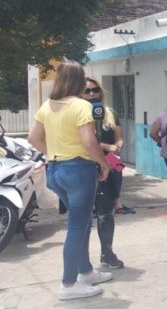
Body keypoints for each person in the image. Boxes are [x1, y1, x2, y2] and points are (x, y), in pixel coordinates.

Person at [28, 61, 113, 301]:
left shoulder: (47, 106)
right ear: (78, 80)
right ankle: (68, 284)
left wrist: (56, 153)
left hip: (55, 170)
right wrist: (104, 164)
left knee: (82, 222)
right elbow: (89, 142)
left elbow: (34, 138)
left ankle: (86, 271)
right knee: (77, 226)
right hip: (78, 171)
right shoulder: (82, 106)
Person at [82, 77, 125, 269]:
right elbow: (84, 141)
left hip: (110, 166)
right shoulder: (78, 113)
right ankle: (82, 263)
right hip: (85, 167)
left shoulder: (109, 113)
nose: (92, 94)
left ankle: (107, 253)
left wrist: (117, 146)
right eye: (87, 91)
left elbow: (119, 137)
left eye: (95, 90)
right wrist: (106, 146)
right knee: (83, 217)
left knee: (106, 213)